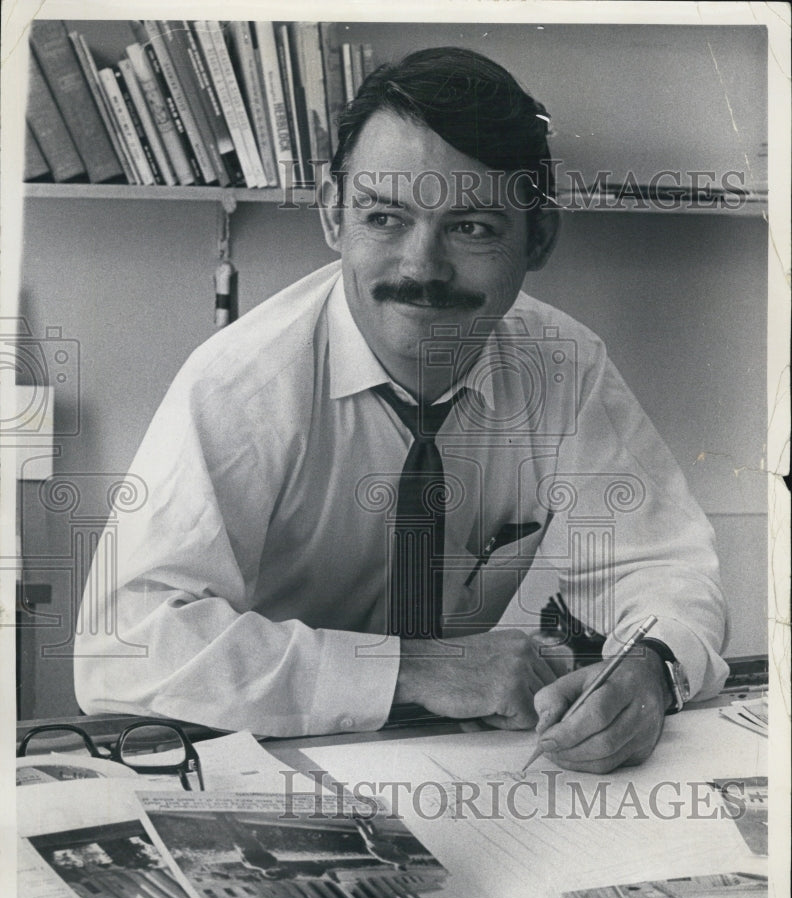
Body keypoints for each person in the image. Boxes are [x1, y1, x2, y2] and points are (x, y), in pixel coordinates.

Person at [74, 48, 729, 773]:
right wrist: (409, 669)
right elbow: (120, 648)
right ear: (333, 217)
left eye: (472, 227)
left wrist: (652, 669)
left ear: (537, 239)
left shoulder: (563, 365)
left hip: (462, 767)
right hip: (254, 759)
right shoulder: (239, 386)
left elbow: (662, 563)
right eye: (385, 218)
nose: (422, 267)